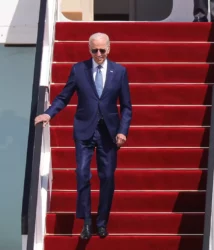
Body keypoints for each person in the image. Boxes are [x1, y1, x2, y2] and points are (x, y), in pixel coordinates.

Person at [34, 32, 132, 240]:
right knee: (82, 174)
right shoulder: (79, 69)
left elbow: (126, 106)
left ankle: (102, 222)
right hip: (84, 131)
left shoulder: (120, 71)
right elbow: (64, 96)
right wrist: (49, 113)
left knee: (107, 178)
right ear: (89, 50)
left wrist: (123, 130)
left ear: (109, 48)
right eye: (94, 50)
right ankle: (86, 221)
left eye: (102, 50)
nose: (98, 54)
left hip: (109, 133)